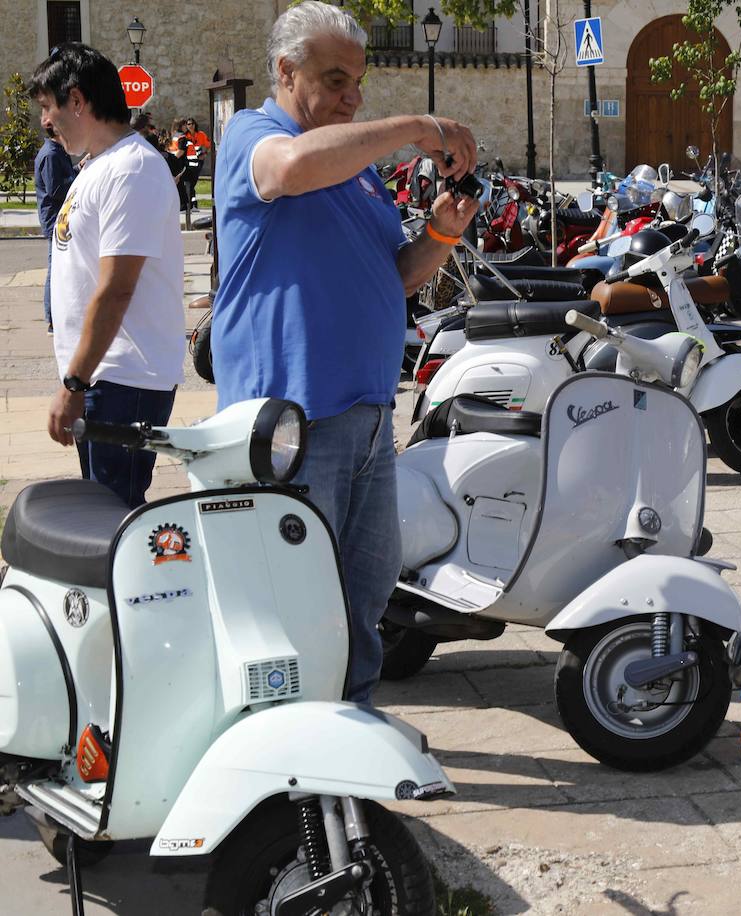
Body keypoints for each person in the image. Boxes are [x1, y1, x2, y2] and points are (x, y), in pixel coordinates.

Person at [214, 0, 478, 704]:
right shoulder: (253, 134)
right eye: (335, 81)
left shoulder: (356, 173)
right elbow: (285, 172)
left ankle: (348, 739)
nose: (352, 98)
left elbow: (393, 276)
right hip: (291, 425)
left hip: (364, 418)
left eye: (357, 82)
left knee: (360, 605)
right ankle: (290, 767)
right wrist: (418, 127)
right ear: (285, 71)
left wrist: (442, 236)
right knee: (295, 611)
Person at [28, 44, 183, 507]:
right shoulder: (100, 165)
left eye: (48, 106)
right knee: (102, 520)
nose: (45, 121)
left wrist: (73, 384)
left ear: (77, 100)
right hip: (105, 378)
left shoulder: (131, 169)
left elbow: (116, 289)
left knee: (114, 522)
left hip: (121, 380)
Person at [33, 126, 77, 333]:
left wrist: (78, 170)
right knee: (55, 269)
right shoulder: (51, 154)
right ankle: (52, 318)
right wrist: (79, 177)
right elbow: (56, 189)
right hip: (55, 219)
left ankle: (57, 316)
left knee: (60, 268)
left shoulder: (58, 152)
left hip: (61, 217)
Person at [182, 116, 210, 208]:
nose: (191, 126)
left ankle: (192, 203)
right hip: (188, 162)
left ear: (195, 125)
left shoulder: (201, 134)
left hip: (198, 162)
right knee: (190, 183)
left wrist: (205, 153)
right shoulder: (185, 136)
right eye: (188, 124)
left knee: (193, 182)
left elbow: (209, 144)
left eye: (192, 124)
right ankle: (192, 203)